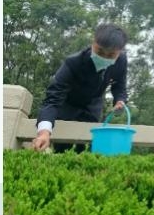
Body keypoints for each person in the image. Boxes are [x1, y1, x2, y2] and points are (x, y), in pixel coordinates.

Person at [31, 24, 128, 153]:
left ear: (119, 51)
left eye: (110, 55)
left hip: (93, 109)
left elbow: (119, 86)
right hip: (67, 108)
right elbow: (52, 99)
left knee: (86, 150)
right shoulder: (73, 63)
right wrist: (44, 132)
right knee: (62, 150)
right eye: (100, 52)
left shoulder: (121, 61)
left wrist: (119, 100)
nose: (104, 57)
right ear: (93, 42)